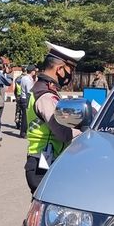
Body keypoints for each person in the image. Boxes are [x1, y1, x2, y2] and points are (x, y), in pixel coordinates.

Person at [25, 42, 85, 193]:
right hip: (43, 162)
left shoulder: (42, 89)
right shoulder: (45, 95)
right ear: (59, 69)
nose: (70, 75)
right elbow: (62, 133)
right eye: (70, 70)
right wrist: (85, 133)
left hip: (42, 158)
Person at [18, 64, 37, 138]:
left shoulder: (25, 78)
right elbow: (29, 92)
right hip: (26, 99)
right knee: (25, 117)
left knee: (25, 116)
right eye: (34, 71)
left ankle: (24, 132)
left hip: (24, 98)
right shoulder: (27, 79)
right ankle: (23, 133)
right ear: (32, 71)